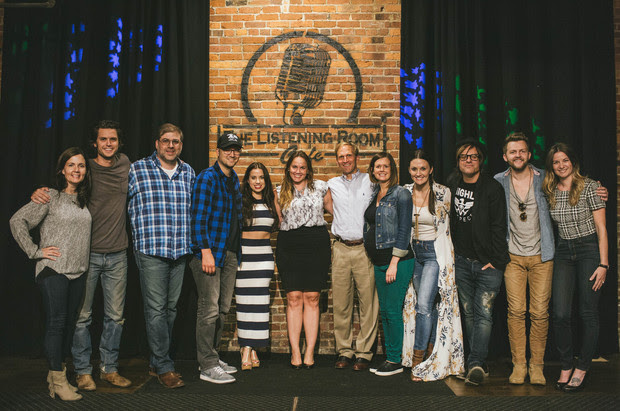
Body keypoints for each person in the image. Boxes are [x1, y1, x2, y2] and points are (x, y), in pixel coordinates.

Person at [31, 120, 132, 391]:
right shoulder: (83, 169)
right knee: (82, 317)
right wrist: (39, 192)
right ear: (95, 143)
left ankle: (109, 369)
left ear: (119, 143)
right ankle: (83, 372)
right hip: (87, 255)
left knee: (115, 316)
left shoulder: (125, 165)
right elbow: (63, 189)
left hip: (118, 254)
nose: (108, 144)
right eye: (103, 139)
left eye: (113, 139)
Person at [10, 147, 92, 401]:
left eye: (80, 166)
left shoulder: (83, 200)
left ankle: (55, 376)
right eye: (71, 165)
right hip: (53, 270)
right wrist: (35, 251)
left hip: (78, 272)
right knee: (56, 324)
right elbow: (17, 221)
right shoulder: (50, 196)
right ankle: (58, 380)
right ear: (62, 170)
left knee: (68, 325)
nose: (76, 170)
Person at [128, 123, 195, 389]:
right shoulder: (137, 170)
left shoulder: (188, 172)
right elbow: (110, 199)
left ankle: (157, 362)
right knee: (155, 310)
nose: (171, 145)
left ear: (181, 144)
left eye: (176, 141)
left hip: (179, 251)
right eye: (166, 141)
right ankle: (165, 366)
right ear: (157, 143)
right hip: (151, 250)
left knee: (169, 310)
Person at [543, 143, 608, 393]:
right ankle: (566, 364)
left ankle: (582, 367)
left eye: (565, 160)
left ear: (573, 162)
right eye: (556, 162)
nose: (561, 165)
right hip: (563, 251)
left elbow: (601, 228)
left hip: (589, 250)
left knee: (587, 312)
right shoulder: (550, 189)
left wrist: (604, 264)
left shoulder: (590, 187)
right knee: (560, 313)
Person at [447, 139, 509, 386]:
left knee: (484, 314)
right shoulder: (452, 183)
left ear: (480, 160)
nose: (469, 160)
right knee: (469, 313)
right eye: (464, 157)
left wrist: (495, 260)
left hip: (488, 265)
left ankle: (474, 363)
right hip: (462, 262)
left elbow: (499, 226)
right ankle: (478, 362)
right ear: (458, 162)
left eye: (473, 156)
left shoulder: (492, 188)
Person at [402, 150, 464, 382]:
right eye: (414, 169)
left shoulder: (441, 192)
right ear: (410, 171)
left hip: (433, 254)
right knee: (428, 306)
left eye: (423, 169)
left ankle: (418, 361)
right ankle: (429, 351)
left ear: (430, 170)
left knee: (424, 305)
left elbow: (447, 227)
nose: (419, 173)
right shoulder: (405, 192)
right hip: (413, 253)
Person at [189, 132, 243, 384]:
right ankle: (207, 365)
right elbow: (198, 218)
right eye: (227, 149)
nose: (232, 153)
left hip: (230, 253)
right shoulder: (207, 178)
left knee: (222, 309)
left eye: (236, 149)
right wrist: (205, 251)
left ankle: (213, 355)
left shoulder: (233, 180)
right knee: (209, 310)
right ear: (218, 151)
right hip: (210, 253)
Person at [323, 142, 379, 371]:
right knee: (342, 304)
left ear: (356, 157)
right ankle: (344, 351)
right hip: (340, 248)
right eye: (340, 157)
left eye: (348, 155)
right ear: (337, 160)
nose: (345, 160)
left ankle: (364, 352)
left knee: (368, 303)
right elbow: (328, 206)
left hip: (364, 248)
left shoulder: (371, 181)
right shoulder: (331, 184)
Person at [276, 151, 331, 369]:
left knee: (313, 297)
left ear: (308, 169)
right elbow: (279, 221)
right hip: (289, 245)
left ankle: (309, 352)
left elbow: (337, 212)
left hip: (316, 243)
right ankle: (295, 352)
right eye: (294, 167)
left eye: (302, 167)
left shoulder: (321, 188)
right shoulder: (280, 191)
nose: (298, 171)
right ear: (288, 168)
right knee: (294, 298)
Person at [363, 152, 414, 377]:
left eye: (385, 166)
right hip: (378, 261)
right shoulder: (375, 193)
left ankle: (396, 360)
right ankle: (391, 356)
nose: (381, 170)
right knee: (384, 311)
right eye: (377, 167)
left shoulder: (401, 194)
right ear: (372, 171)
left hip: (398, 262)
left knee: (393, 311)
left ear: (392, 169)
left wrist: (394, 261)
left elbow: (404, 230)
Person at [236, 162, 281, 371]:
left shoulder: (272, 201)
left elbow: (280, 223)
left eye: (261, 177)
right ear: (248, 180)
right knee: (244, 305)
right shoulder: (240, 201)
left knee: (260, 305)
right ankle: (245, 347)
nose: (257, 181)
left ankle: (252, 347)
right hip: (244, 258)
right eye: (253, 177)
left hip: (263, 258)